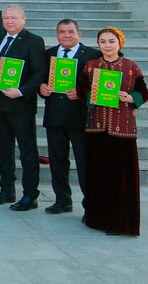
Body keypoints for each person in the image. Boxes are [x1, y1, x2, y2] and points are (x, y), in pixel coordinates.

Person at [79, 26, 147, 236]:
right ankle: (98, 219)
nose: (107, 46)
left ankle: (120, 223)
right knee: (99, 175)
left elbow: (143, 92)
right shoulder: (91, 66)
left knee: (121, 177)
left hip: (122, 129)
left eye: (111, 41)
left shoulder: (131, 67)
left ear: (120, 43)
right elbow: (82, 90)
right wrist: (92, 98)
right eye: (103, 42)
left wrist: (131, 98)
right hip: (97, 128)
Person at [0, 4, 46, 211]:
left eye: (14, 18)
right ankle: (7, 189)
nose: (9, 22)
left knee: (27, 151)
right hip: (1, 105)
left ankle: (30, 194)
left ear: (23, 19)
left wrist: (21, 91)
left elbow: (39, 73)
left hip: (21, 105)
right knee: (4, 150)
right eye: (6, 18)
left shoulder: (34, 41)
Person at [38, 18, 100, 214]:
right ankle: (62, 200)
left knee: (84, 162)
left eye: (70, 31)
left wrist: (83, 94)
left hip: (80, 118)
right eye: (62, 32)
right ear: (57, 35)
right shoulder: (49, 54)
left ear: (78, 34)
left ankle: (90, 205)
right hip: (55, 116)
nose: (66, 35)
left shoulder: (92, 55)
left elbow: (99, 85)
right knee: (57, 161)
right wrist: (42, 88)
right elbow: (39, 78)